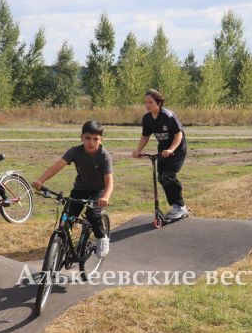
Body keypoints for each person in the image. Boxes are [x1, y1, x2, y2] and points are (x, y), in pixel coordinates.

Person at [31, 120, 113, 258]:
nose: (91, 142)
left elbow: (109, 180)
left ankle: (102, 238)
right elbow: (56, 167)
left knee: (93, 214)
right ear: (81, 137)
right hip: (80, 189)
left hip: (98, 191)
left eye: (95, 139)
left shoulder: (104, 156)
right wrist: (41, 180)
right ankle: (63, 245)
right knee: (67, 217)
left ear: (101, 140)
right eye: (87, 138)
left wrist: (105, 197)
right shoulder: (75, 151)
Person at [131, 89, 189, 220]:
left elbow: (178, 134)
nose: (147, 105)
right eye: (145, 102)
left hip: (177, 149)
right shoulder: (147, 118)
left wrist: (171, 150)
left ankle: (180, 207)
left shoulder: (167, 115)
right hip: (162, 150)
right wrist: (138, 150)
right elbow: (145, 136)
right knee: (162, 178)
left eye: (150, 102)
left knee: (168, 175)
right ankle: (177, 206)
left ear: (159, 102)